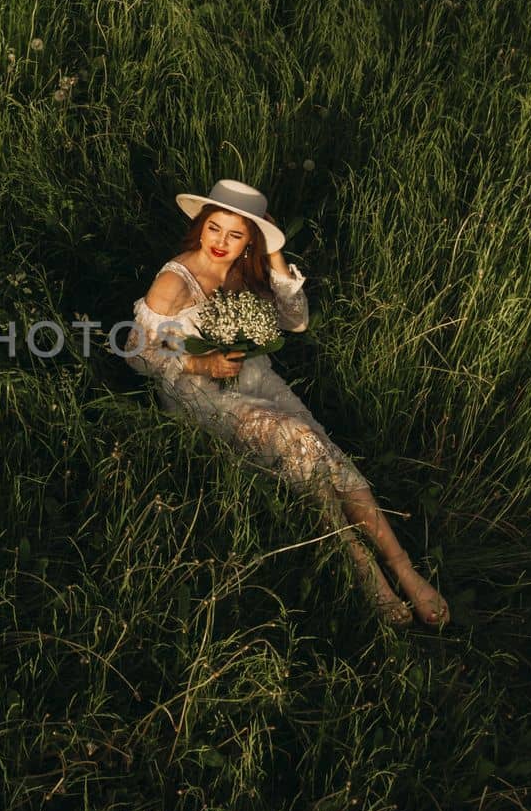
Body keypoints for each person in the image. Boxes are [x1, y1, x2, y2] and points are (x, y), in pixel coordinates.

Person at [127, 178, 449, 627]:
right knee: (301, 439)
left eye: (236, 234)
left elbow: (295, 321)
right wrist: (203, 365)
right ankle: (364, 568)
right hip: (199, 392)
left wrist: (273, 250)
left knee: (322, 451)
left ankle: (403, 567)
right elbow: (138, 352)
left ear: (250, 240)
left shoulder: (244, 270)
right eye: (214, 228)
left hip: (255, 377)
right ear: (200, 227)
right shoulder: (174, 280)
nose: (221, 242)